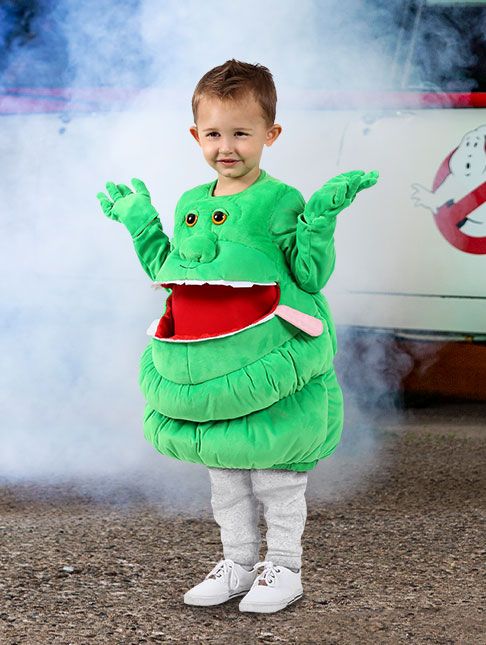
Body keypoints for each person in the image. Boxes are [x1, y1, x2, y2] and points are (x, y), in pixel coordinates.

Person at [97, 59, 378, 614]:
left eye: (242, 133)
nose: (227, 146)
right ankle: (238, 563)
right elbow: (173, 275)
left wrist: (319, 220)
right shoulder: (191, 205)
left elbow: (309, 274)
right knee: (226, 478)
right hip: (211, 365)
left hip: (268, 361)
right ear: (196, 135)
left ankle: (285, 569)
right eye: (214, 134)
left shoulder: (280, 200)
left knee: (276, 476)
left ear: (270, 134)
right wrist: (141, 223)